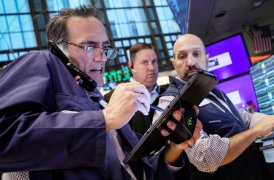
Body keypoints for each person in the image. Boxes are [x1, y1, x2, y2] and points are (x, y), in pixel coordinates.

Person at [0, 6, 200, 180]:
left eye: (104, 47)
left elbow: (137, 170)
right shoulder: (42, 62)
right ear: (59, 48)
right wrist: (105, 119)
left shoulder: (97, 100)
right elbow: (5, 135)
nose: (102, 56)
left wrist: (174, 149)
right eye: (89, 46)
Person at [153, 34, 274, 180]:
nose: (191, 62)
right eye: (182, 56)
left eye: (196, 54)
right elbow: (207, 159)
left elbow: (248, 119)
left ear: (207, 59)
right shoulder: (172, 102)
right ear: (174, 64)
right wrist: (255, 132)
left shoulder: (214, 92)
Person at [104, 42, 168, 135]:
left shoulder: (171, 93)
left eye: (154, 61)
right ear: (131, 66)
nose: (151, 67)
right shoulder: (110, 100)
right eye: (144, 62)